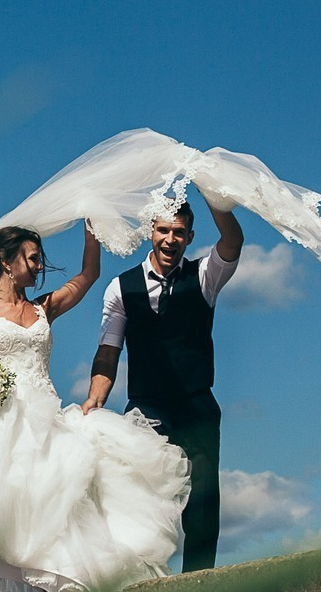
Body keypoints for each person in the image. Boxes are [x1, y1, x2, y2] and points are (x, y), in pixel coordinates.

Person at [0, 223, 190, 592]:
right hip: (0, 418)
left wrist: (92, 230)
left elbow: (88, 276)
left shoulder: (44, 308)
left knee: (58, 493)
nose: (39, 265)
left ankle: (52, 590)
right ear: (8, 263)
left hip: (46, 415)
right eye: (32, 257)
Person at [82, 198, 243, 572]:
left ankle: (199, 589)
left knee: (201, 504)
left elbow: (233, 240)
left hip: (196, 406)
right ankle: (142, 586)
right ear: (150, 232)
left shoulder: (205, 276)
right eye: (163, 230)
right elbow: (108, 352)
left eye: (179, 233)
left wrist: (214, 195)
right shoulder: (120, 289)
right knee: (138, 499)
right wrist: (95, 399)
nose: (170, 240)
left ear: (189, 238)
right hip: (146, 409)